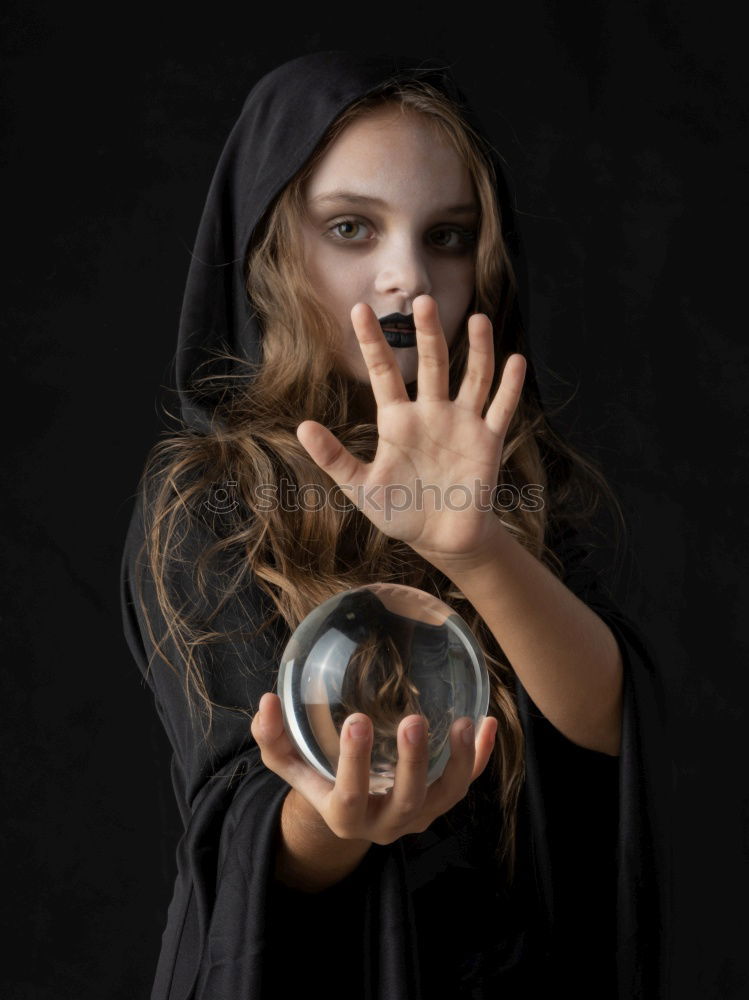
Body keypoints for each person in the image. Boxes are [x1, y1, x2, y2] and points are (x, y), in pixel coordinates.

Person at [120, 50, 672, 999]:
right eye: (350, 227)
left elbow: (604, 732)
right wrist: (342, 816)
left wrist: (475, 545)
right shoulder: (209, 493)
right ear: (270, 246)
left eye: (448, 236)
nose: (407, 278)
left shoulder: (516, 469)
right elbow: (244, 827)